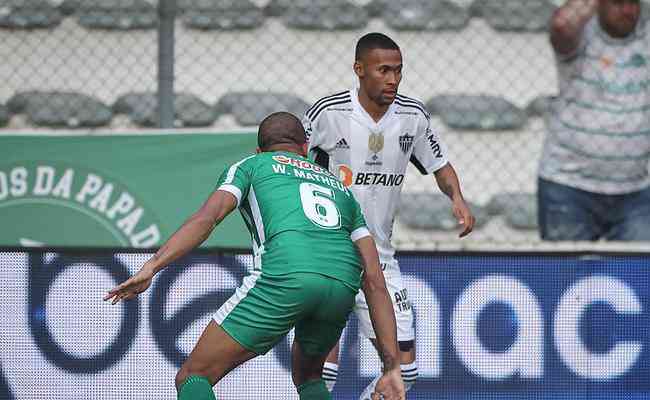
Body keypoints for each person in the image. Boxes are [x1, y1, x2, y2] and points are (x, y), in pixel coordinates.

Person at [103, 112, 405, 400]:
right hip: (341, 285)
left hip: (286, 277)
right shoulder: (341, 189)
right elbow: (375, 281)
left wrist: (152, 266)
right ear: (305, 148)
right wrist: (392, 367)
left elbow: (207, 219)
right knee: (310, 378)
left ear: (259, 149)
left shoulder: (251, 165)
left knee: (194, 375)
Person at [303, 33, 475, 399]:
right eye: (384, 70)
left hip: (379, 255)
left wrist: (457, 196)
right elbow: (287, 159)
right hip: (328, 252)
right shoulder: (328, 113)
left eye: (398, 71)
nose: (393, 79)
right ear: (359, 70)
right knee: (320, 370)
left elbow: (440, 165)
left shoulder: (412, 117)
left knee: (405, 370)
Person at [539, 0, 650, 240]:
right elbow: (561, 25)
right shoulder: (580, 35)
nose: (629, 11)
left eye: (634, 3)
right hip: (570, 187)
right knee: (566, 276)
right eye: (619, 3)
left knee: (639, 275)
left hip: (635, 191)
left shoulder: (645, 35)